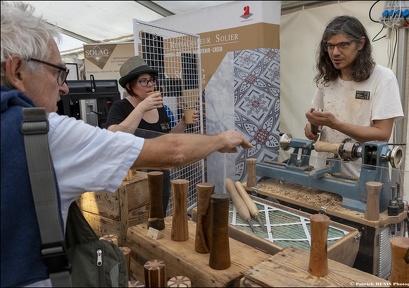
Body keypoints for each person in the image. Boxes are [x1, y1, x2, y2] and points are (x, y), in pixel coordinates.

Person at [0, 2, 252, 287]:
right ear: (17, 70)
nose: (64, 87)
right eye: (58, 72)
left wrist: (184, 123)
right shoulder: (44, 133)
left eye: (152, 80)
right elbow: (165, 149)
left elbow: (171, 137)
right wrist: (219, 139)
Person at [304, 15, 404, 178]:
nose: (335, 52)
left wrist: (335, 124)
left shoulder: (382, 77)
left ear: (360, 43)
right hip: (324, 173)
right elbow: (318, 128)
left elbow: (382, 134)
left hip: (362, 178)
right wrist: (313, 126)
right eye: (330, 46)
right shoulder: (327, 78)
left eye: (343, 45)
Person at [105, 56, 199, 216]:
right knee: (136, 224)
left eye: (151, 80)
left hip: (160, 176)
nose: (150, 85)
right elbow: (113, 136)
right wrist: (141, 108)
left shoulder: (159, 107)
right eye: (143, 81)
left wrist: (183, 123)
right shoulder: (120, 107)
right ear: (130, 86)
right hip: (134, 179)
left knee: (157, 221)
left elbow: (166, 138)